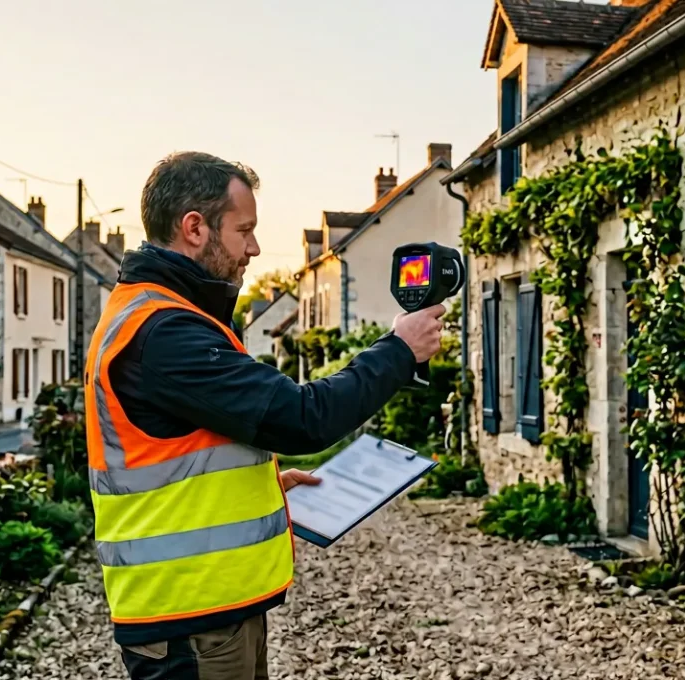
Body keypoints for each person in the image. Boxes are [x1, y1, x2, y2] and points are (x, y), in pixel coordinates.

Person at [85, 151, 445, 680]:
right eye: (244, 230)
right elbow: (301, 418)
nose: (254, 248)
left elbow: (178, 450)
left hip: (205, 610)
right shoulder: (165, 332)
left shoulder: (165, 316)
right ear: (194, 229)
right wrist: (397, 351)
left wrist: (262, 485)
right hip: (189, 618)